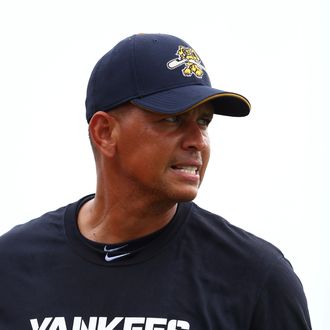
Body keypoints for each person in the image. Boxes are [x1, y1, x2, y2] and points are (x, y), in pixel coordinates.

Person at [0, 33, 311, 330]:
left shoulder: (256, 277)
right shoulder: (11, 266)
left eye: (203, 121)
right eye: (173, 119)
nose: (198, 141)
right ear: (105, 133)